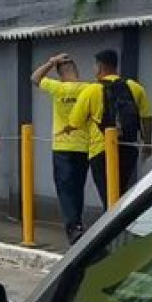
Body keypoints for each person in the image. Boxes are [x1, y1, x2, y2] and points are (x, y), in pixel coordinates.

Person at [70, 47, 152, 210]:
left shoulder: (91, 90)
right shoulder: (135, 87)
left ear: (100, 67)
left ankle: (113, 231)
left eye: (95, 66)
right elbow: (147, 117)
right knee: (121, 193)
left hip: (100, 151)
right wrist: (148, 143)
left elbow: (75, 122)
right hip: (128, 148)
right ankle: (120, 226)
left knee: (108, 197)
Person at [32, 51, 91, 243]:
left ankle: (73, 228)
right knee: (78, 187)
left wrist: (51, 61)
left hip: (62, 146)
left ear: (59, 74)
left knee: (65, 190)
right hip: (84, 146)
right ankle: (78, 224)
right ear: (76, 70)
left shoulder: (57, 87)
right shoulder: (88, 88)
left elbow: (35, 78)